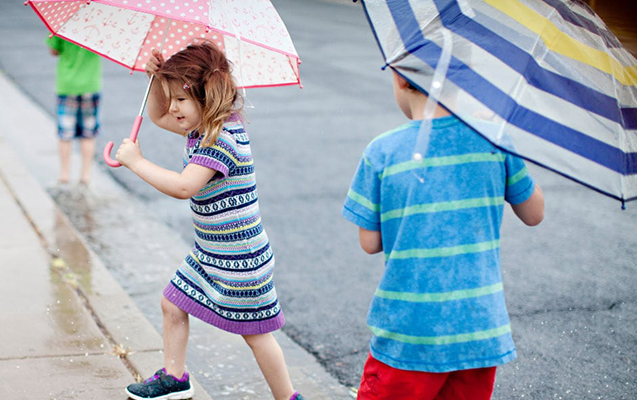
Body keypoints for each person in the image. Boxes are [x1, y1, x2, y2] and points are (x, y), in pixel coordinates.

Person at [115, 43, 306, 400]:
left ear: (207, 97)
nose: (172, 107)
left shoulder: (222, 140)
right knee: (173, 302)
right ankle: (175, 378)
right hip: (212, 252)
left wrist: (137, 163)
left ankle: (288, 397)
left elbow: (184, 186)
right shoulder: (202, 128)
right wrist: (154, 81)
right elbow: (158, 117)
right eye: (171, 98)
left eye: (180, 99)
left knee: (256, 334)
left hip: (241, 260)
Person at [342, 70, 545, 400]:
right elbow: (534, 214)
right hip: (479, 328)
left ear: (401, 79)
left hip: (410, 332)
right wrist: (499, 136)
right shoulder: (494, 140)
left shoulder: (382, 151)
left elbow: (370, 243)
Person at [46, 36, 102, 187]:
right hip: (90, 85)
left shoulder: (61, 26)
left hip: (67, 85)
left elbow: (53, 50)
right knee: (88, 133)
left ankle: (64, 175)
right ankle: (86, 175)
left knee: (65, 133)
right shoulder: (100, 27)